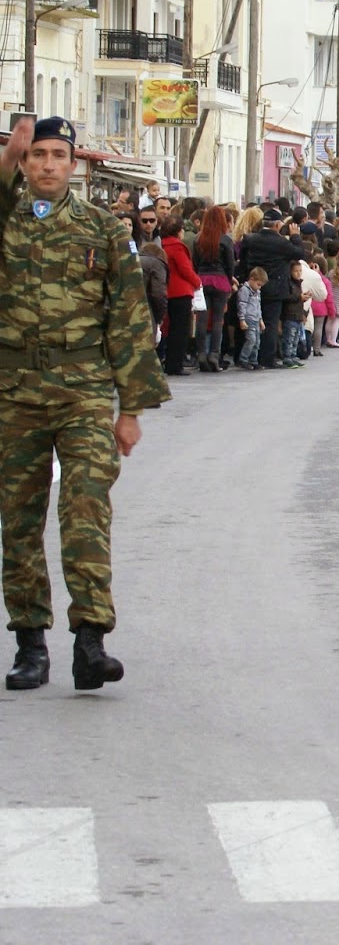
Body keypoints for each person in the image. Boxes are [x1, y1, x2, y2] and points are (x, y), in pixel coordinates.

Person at [0, 117, 170, 692]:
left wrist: (131, 409)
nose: (47, 164)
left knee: (85, 507)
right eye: (37, 155)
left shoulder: (101, 229)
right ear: (24, 165)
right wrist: (5, 161)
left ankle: (91, 640)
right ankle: (30, 643)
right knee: (19, 519)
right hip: (14, 390)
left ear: (74, 164)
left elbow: (127, 320)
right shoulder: (7, 220)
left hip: (83, 388)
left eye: (58, 155)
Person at [236, 207, 304, 369]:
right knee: (270, 323)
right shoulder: (281, 243)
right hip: (275, 288)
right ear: (278, 225)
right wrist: (295, 237)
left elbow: (243, 260)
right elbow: (299, 253)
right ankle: (267, 358)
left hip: (253, 285)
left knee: (249, 320)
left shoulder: (251, 239)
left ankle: (245, 356)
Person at [192, 205, 235, 372]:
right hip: (220, 279)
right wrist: (229, 280)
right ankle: (214, 355)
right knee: (218, 320)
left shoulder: (198, 238)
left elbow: (194, 263)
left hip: (202, 278)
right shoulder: (225, 239)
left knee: (201, 320)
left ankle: (201, 353)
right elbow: (230, 264)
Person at [159, 214, 200, 376]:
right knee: (180, 329)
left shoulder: (162, 245)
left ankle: (169, 361)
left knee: (169, 328)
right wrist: (197, 281)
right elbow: (185, 269)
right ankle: (175, 364)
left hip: (167, 290)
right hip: (180, 291)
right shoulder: (177, 246)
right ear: (178, 231)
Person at [236, 267, 266, 369]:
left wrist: (260, 319)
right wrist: (242, 319)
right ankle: (243, 359)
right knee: (251, 340)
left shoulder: (257, 292)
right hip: (248, 318)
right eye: (258, 284)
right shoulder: (245, 290)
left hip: (256, 319)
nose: (259, 287)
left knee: (257, 341)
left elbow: (258, 306)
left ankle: (254, 360)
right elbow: (242, 305)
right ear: (252, 279)